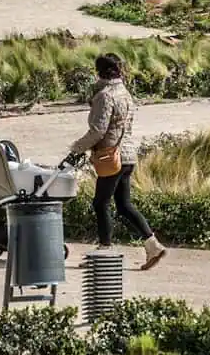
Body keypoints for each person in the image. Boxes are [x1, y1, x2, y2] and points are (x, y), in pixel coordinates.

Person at [70, 53, 166, 271]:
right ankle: (153, 245)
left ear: (99, 71)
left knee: (100, 203)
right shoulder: (125, 93)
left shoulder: (105, 95)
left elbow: (98, 130)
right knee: (123, 205)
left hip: (111, 157)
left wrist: (76, 147)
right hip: (128, 155)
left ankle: (105, 251)